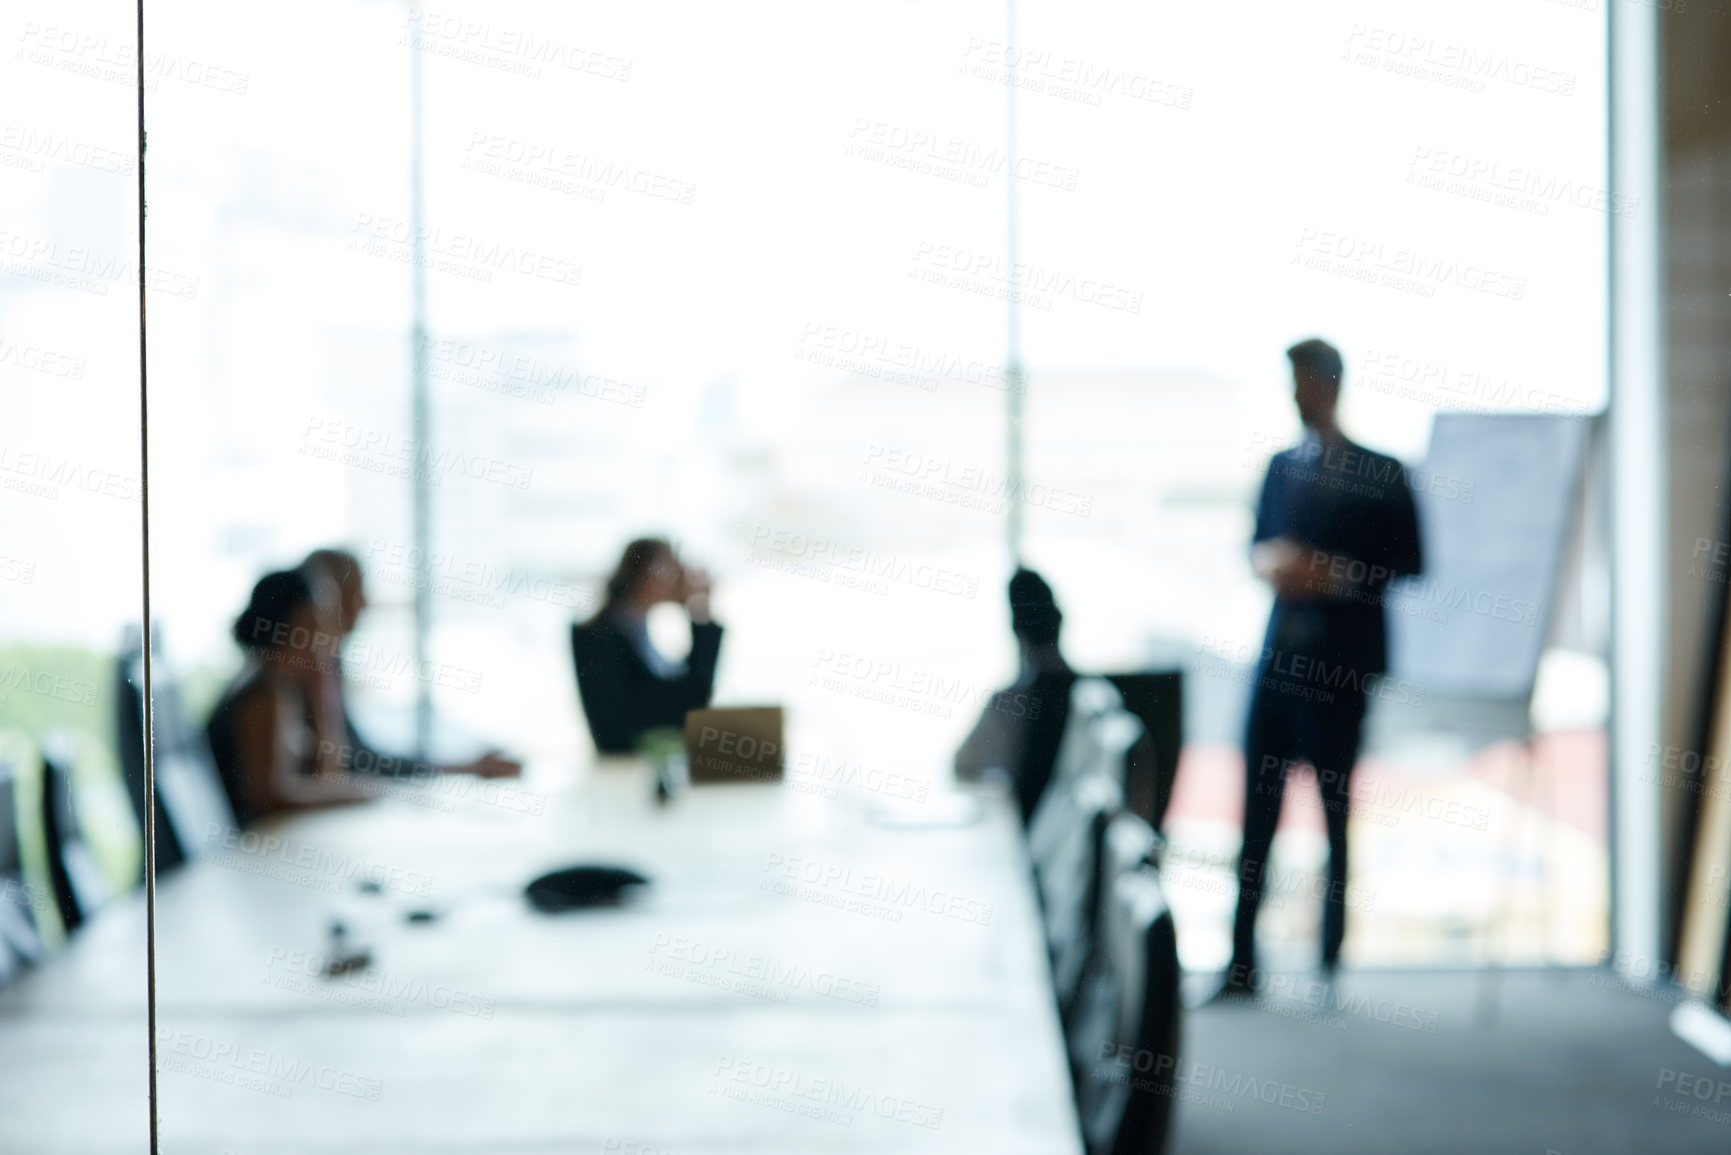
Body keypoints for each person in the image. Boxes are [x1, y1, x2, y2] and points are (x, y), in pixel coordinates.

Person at [1220, 338, 1423, 998]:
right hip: (1277, 661)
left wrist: (1330, 575)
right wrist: (1271, 565)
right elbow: (1254, 546)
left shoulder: (1382, 471)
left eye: (1301, 381)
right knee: (1254, 814)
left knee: (1334, 813)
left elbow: (1411, 564)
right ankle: (1240, 964)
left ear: (1327, 383)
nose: (1294, 394)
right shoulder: (1279, 467)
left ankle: (1328, 962)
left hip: (1340, 668)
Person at [300, 548, 520, 779]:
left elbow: (359, 756)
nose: (364, 603)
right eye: (354, 592)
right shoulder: (304, 672)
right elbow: (350, 763)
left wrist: (464, 767)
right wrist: (464, 768)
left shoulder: (330, 664)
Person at [205, 569, 380, 825]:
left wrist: (322, 696)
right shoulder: (264, 693)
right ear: (301, 620)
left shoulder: (282, 686)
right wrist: (352, 794)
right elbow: (271, 797)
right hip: (250, 847)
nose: (331, 628)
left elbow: (327, 775)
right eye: (324, 615)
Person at [570, 538, 723, 754]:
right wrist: (698, 609)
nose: (681, 578)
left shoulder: (633, 629)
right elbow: (690, 698)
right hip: (626, 770)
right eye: (673, 569)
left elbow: (687, 692)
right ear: (647, 575)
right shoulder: (600, 636)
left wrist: (700, 612)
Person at [954, 568, 1077, 823]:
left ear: (1015, 629)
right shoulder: (1096, 695)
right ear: (1060, 619)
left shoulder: (1009, 704)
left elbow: (962, 765)